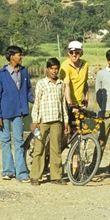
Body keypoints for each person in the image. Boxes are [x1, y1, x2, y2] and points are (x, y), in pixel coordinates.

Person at [0, 46, 34, 182]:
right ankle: (8, 170)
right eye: (19, 55)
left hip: (19, 111)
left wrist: (33, 99)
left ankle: (22, 173)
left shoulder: (24, 71)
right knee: (5, 141)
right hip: (4, 113)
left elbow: (28, 90)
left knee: (19, 141)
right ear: (12, 57)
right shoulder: (3, 73)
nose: (21, 57)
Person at [29, 58, 69, 186]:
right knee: (39, 148)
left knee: (56, 149)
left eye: (56, 69)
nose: (54, 71)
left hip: (57, 120)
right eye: (52, 68)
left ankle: (56, 176)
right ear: (47, 69)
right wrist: (35, 121)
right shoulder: (41, 83)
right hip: (43, 121)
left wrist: (66, 122)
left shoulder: (61, 84)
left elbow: (63, 104)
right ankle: (35, 176)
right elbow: (37, 103)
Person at [59, 40, 89, 107]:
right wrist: (70, 103)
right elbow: (66, 85)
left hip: (80, 103)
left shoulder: (85, 64)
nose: (74, 55)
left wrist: (86, 98)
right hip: (67, 103)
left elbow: (85, 82)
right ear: (68, 53)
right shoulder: (65, 65)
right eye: (71, 52)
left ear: (81, 53)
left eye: (77, 52)